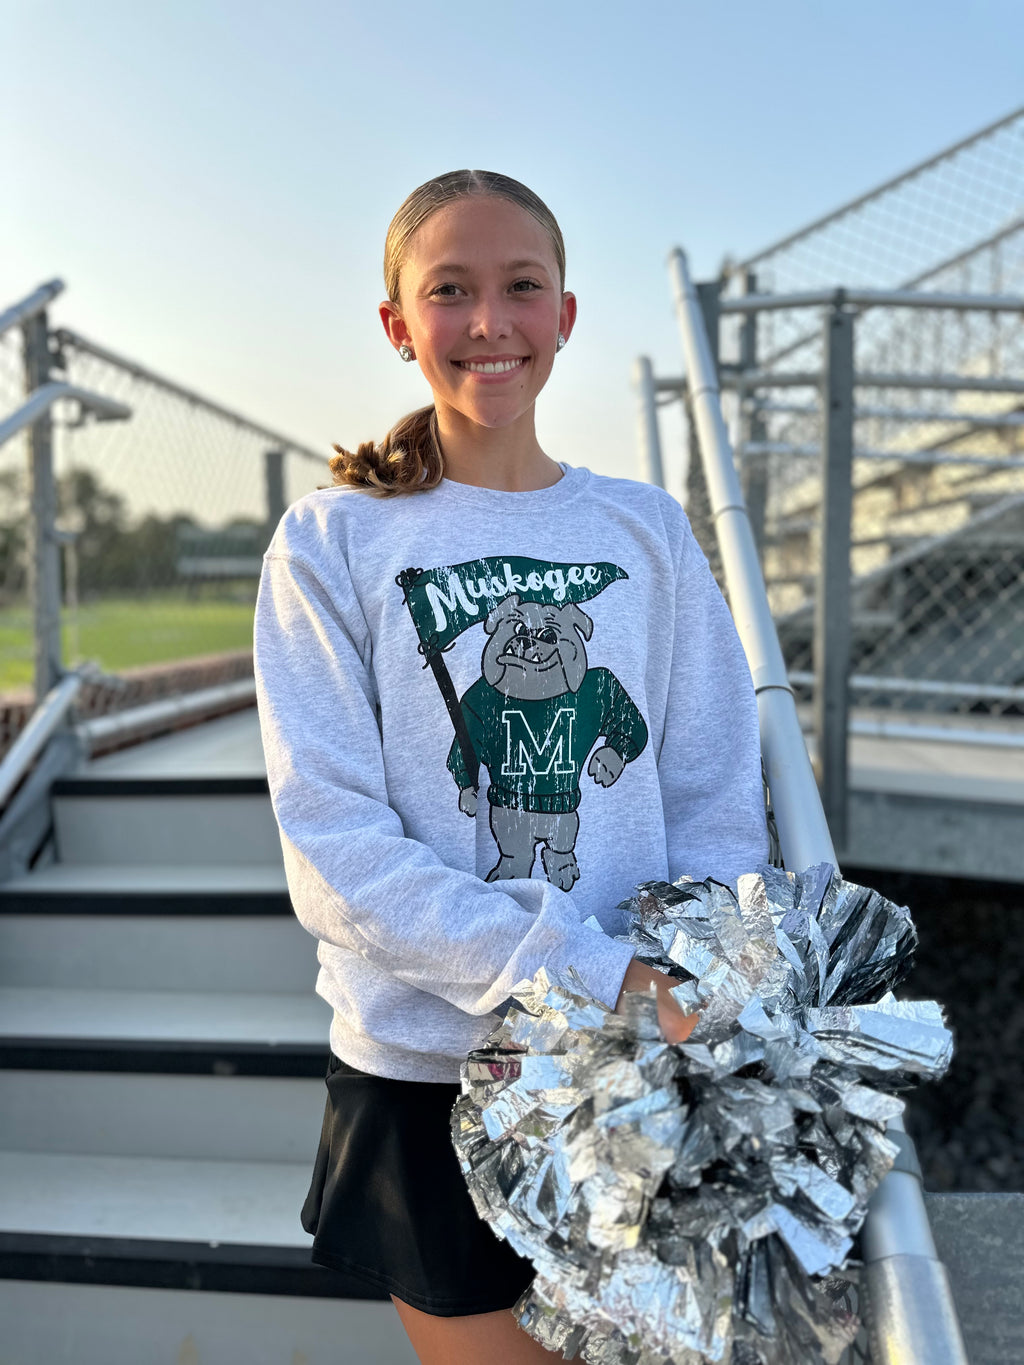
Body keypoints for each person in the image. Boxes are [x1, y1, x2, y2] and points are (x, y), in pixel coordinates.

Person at [254, 169, 768, 1365]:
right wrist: (591, 976)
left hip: (639, 1063)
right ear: (398, 326)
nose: (490, 322)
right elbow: (334, 852)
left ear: (565, 315)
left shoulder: (645, 528)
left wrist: (689, 978)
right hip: (435, 1075)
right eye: (451, 291)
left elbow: (710, 798)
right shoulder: (333, 540)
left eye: (520, 287)